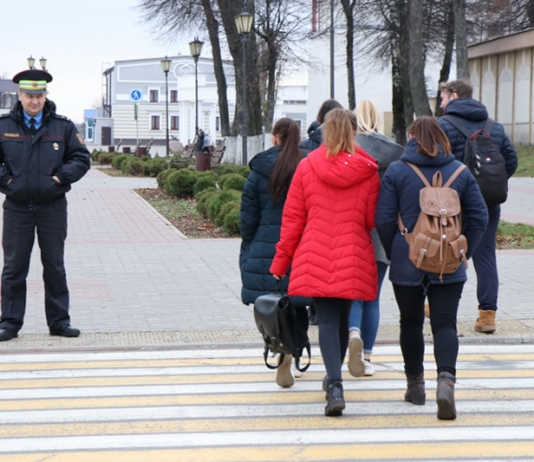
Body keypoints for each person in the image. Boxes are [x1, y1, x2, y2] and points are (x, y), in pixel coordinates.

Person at [376, 116, 488, 420]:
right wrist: (464, 251)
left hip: (407, 258)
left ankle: (416, 386)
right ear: (442, 138)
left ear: (412, 137)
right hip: (450, 259)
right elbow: (480, 216)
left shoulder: (398, 170)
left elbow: (384, 220)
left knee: (410, 323)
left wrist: (396, 251)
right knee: (445, 323)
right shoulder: (460, 172)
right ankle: (446, 383)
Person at [270, 108, 380, 416]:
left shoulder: (307, 167)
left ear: (325, 132)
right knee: (344, 321)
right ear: (354, 133)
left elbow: (292, 221)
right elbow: (372, 219)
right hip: (353, 253)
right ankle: (334, 380)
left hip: (315, 252)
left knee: (328, 321)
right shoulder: (368, 170)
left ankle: (334, 384)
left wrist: (280, 264)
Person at [0, 68, 91, 341]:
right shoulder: (4, 126)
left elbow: (81, 159)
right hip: (17, 207)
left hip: (52, 207)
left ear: (45, 95)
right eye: (29, 95)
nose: (34, 101)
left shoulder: (62, 126)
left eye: (39, 95)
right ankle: (9, 323)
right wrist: (8, 183)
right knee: (14, 267)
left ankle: (59, 322)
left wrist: (59, 179)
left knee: (54, 265)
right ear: (19, 95)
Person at [438, 80, 518, 333]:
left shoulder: (443, 126)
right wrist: (491, 183)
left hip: (452, 202)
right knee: (485, 256)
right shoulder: (494, 126)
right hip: (487, 202)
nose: (441, 104)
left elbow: (436, 161)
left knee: (445, 249)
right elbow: (511, 161)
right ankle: (487, 316)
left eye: (442, 98)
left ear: (453, 95)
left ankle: (435, 306)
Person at [240, 117, 310, 388]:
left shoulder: (259, 170)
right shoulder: (308, 166)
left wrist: (250, 244)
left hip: (265, 246)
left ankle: (278, 349)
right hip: (302, 245)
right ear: (298, 138)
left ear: (274, 138)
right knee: (299, 301)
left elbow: (248, 216)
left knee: (270, 302)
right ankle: (294, 354)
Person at [347, 100, 403, 378]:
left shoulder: (347, 149)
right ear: (379, 120)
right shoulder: (394, 153)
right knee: (373, 296)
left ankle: (352, 333)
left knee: (353, 294)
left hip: (353, 232)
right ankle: (367, 356)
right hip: (382, 235)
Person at [300, 98, 343, 326]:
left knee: (314, 264)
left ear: (319, 119)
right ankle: (331, 310)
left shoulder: (307, 147)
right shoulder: (350, 149)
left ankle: (314, 309)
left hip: (313, 214)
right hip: (340, 217)